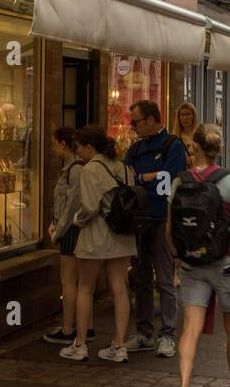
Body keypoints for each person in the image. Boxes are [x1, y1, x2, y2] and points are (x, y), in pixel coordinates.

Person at [166, 124, 230, 387]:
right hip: (227, 264)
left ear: (195, 147)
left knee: (190, 328)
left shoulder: (179, 181)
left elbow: (169, 230)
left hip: (193, 264)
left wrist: (178, 257)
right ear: (218, 150)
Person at [62, 126, 137, 363]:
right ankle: (118, 345)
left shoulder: (90, 169)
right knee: (119, 288)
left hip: (95, 235)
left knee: (85, 287)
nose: (78, 153)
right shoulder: (125, 168)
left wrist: (75, 220)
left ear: (89, 147)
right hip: (122, 235)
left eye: (79, 148)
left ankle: (80, 343)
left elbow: (90, 208)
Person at [124, 100, 187, 358]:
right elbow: (126, 178)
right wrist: (144, 179)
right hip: (137, 219)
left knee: (164, 279)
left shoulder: (173, 146)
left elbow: (169, 181)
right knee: (140, 278)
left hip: (162, 219)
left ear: (151, 119)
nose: (133, 126)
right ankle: (144, 333)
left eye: (136, 121)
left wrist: (143, 181)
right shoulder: (135, 149)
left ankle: (167, 335)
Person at [43, 126, 95, 346]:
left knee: (69, 280)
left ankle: (68, 328)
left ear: (63, 144)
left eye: (54, 143)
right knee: (82, 282)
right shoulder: (75, 167)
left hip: (72, 231)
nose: (53, 148)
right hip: (75, 228)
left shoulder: (74, 169)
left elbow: (71, 204)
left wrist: (58, 230)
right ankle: (87, 326)